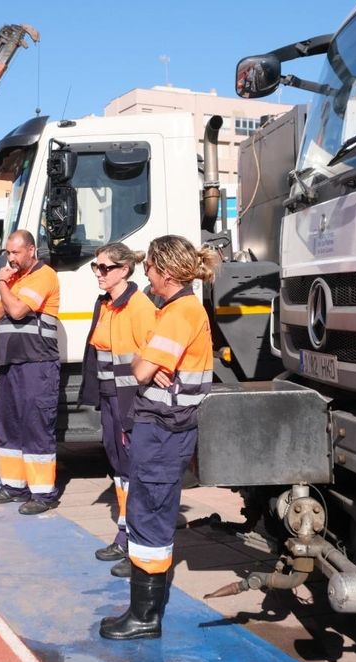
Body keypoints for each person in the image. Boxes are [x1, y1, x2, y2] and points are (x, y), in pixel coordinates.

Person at [100, 234, 217, 641]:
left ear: (164, 272)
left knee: (148, 514)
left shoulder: (178, 313)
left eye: (148, 266)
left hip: (164, 428)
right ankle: (145, 609)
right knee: (149, 511)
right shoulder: (181, 309)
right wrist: (146, 360)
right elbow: (145, 365)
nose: (145, 272)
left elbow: (140, 371)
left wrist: (144, 359)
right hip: (166, 427)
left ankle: (144, 617)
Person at [79, 243, 156, 578]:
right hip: (111, 400)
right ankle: (125, 536)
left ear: (124, 270)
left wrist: (134, 411)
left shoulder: (139, 308)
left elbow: (148, 363)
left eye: (105, 268)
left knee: (132, 472)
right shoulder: (106, 305)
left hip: (130, 404)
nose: (99, 273)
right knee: (120, 471)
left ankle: (136, 543)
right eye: (96, 267)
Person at [0, 230, 62, 515]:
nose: (10, 258)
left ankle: (43, 493)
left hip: (36, 364)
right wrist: (8, 293)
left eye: (15, 252)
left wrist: (3, 286)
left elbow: (15, 311)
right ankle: (13, 486)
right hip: (11, 363)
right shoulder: (13, 280)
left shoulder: (44, 275)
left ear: (31, 250)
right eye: (7, 253)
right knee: (11, 425)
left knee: (36, 425)